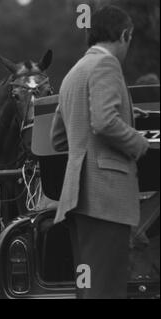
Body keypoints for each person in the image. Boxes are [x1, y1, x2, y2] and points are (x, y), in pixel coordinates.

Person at [50, 5, 150, 299]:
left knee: (91, 288)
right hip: (106, 198)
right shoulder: (107, 66)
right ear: (124, 35)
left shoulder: (74, 72)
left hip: (79, 198)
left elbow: (59, 137)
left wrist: (128, 114)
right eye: (129, 40)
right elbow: (104, 121)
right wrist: (138, 142)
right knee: (107, 289)